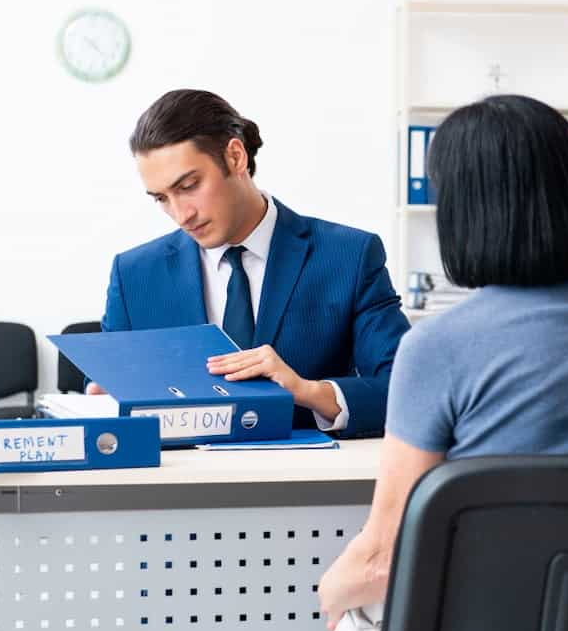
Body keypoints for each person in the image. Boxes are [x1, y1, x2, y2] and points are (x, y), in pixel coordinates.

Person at [315, 94, 568, 631]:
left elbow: (384, 558)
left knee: (356, 614)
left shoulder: (440, 346)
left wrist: (330, 591)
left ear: (463, 207)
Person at [93, 89, 409, 438]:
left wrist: (308, 391)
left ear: (236, 157)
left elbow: (407, 389)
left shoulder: (348, 256)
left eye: (189, 186)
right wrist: (103, 400)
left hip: (306, 484)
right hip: (177, 485)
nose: (181, 214)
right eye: (161, 199)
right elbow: (109, 399)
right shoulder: (135, 275)